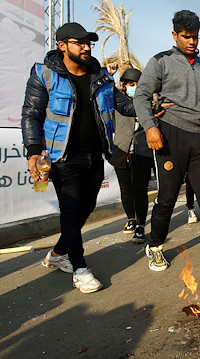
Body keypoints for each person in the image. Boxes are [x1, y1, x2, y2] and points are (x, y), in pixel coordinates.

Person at [21, 22, 135, 293]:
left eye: (89, 43)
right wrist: (33, 152)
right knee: (71, 211)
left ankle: (59, 253)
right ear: (62, 46)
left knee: (85, 209)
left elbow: (124, 105)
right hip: (61, 157)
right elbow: (31, 115)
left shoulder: (100, 77)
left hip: (94, 155)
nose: (86, 47)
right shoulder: (44, 74)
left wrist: (152, 106)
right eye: (79, 42)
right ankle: (80, 268)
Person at [134, 10, 200, 273]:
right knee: (166, 196)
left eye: (195, 37)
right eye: (186, 37)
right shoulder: (160, 62)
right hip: (170, 135)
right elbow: (140, 96)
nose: (192, 42)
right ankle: (154, 246)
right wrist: (151, 128)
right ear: (174, 35)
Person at [109, 68, 154, 243]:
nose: (133, 87)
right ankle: (131, 219)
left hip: (143, 153)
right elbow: (108, 88)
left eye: (136, 84)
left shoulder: (147, 103)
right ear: (124, 86)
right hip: (121, 150)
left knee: (140, 190)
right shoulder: (118, 102)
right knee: (126, 189)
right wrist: (108, 73)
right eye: (130, 84)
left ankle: (141, 225)